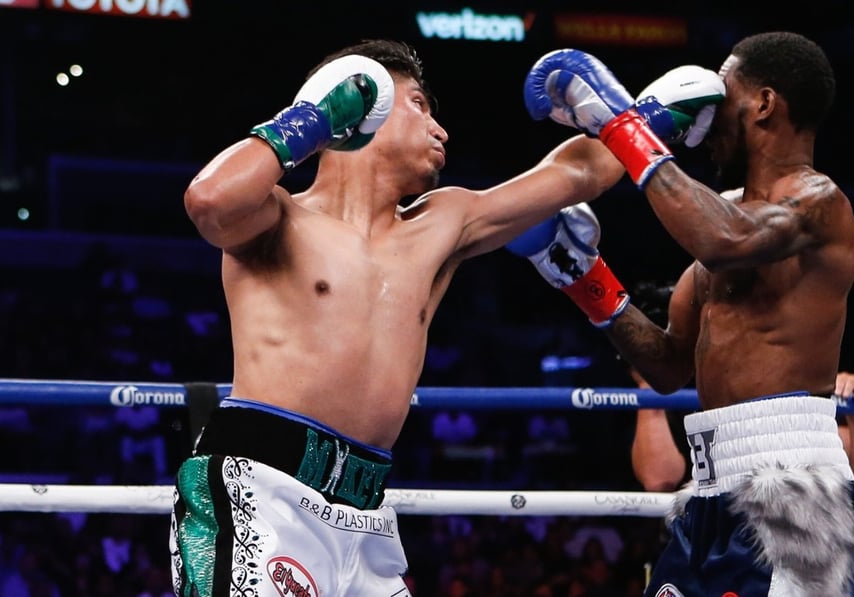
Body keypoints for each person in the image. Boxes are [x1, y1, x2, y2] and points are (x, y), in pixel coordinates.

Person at [174, 39, 631, 597]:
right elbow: (209, 200)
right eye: (420, 104)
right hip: (259, 492)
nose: (441, 131)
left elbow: (584, 174)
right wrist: (314, 118)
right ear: (366, 107)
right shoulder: (276, 217)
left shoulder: (443, 222)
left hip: (364, 514)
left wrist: (625, 112)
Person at [514, 32, 854, 596]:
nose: (705, 112)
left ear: (765, 105)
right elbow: (670, 367)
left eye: (723, 94)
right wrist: (582, 277)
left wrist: (622, 124)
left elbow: (727, 240)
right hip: (708, 487)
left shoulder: (820, 203)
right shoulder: (721, 213)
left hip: (792, 486)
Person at [626, 282, 854, 494]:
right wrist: (649, 380)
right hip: (702, 532)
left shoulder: (784, 385)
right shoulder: (674, 399)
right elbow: (658, 479)